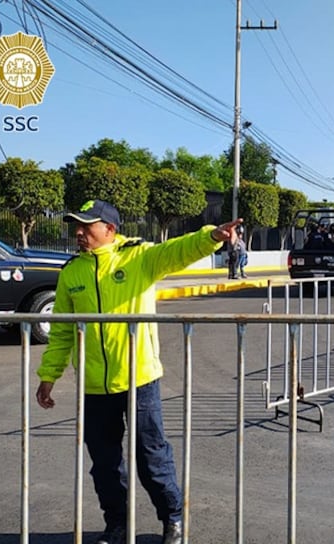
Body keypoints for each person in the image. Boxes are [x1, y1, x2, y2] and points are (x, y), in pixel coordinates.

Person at [35, 199, 242, 544]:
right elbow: (62, 331)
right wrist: (48, 375)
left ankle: (172, 518)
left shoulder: (138, 257)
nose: (79, 232)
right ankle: (117, 524)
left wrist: (211, 237)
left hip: (139, 379)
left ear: (110, 229)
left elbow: (176, 250)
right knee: (104, 464)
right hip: (93, 385)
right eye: (77, 226)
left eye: (87, 226)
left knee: (151, 455)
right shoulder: (72, 272)